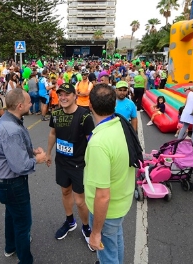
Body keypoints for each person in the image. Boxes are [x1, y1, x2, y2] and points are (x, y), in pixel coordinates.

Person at [0, 88, 47, 263]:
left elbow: (14, 149)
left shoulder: (10, 120)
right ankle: (25, 260)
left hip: (5, 181)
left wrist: (31, 151)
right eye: (30, 102)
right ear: (20, 105)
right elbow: (20, 165)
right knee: (23, 223)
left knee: (11, 214)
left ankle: (11, 247)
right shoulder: (11, 129)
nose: (32, 104)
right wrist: (38, 158)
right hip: (12, 183)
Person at [84, 83, 134, 264]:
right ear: (114, 105)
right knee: (116, 240)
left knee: (107, 255)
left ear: (91, 106)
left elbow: (103, 195)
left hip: (108, 209)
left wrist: (95, 232)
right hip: (121, 201)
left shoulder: (99, 142)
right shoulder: (122, 124)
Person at [46, 83, 95, 251]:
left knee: (80, 201)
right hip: (61, 162)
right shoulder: (56, 113)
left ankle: (87, 227)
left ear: (75, 96)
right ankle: (70, 221)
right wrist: (48, 153)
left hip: (79, 164)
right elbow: (53, 133)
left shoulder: (84, 116)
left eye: (67, 94)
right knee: (65, 192)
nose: (63, 97)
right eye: (60, 94)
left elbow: (91, 140)